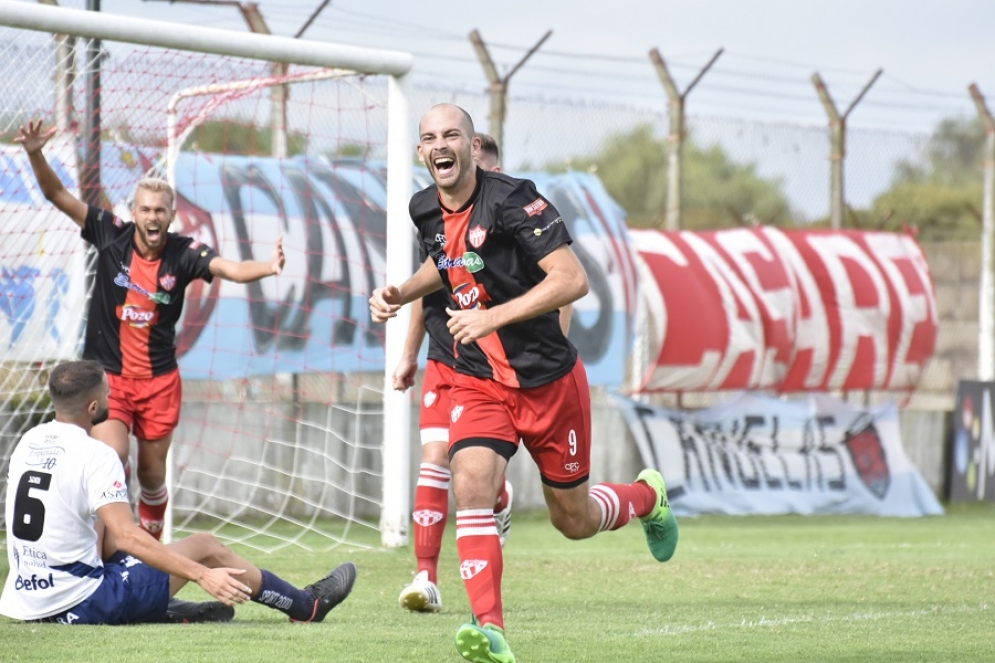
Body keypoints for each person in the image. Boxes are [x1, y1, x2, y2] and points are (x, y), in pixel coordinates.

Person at [369, 104, 678, 663]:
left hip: (548, 382)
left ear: (469, 145)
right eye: (430, 138)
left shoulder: (515, 201)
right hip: (480, 380)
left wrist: (492, 316)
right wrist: (400, 293)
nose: (442, 145)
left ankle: (647, 498)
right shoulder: (424, 209)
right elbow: (444, 264)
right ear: (422, 152)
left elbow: (572, 279)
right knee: (471, 484)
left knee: (573, 520)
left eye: (452, 135)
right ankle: (491, 632)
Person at [15, 120, 286, 540]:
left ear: (171, 215)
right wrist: (34, 152)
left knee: (152, 475)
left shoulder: (184, 252)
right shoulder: (110, 234)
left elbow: (228, 269)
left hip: (159, 383)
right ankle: (111, 548)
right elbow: (56, 195)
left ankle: (150, 553)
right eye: (145, 209)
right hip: (111, 381)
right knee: (112, 457)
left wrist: (268, 267)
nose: (152, 216)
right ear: (134, 212)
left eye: (160, 210)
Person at [0, 360, 356, 625]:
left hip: (26, 601)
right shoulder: (97, 454)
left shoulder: (28, 443)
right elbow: (127, 538)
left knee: (111, 531)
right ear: (93, 408)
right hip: (81, 603)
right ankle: (306, 607)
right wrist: (201, 574)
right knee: (204, 546)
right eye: (108, 393)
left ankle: (163, 606)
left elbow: (104, 541)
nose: (112, 396)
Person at [394, 133, 516, 615]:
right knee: (435, 457)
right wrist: (408, 355)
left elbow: (559, 290)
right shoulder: (437, 221)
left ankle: (498, 498)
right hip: (447, 361)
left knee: (479, 482)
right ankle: (425, 577)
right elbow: (428, 295)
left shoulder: (513, 220)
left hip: (499, 368)